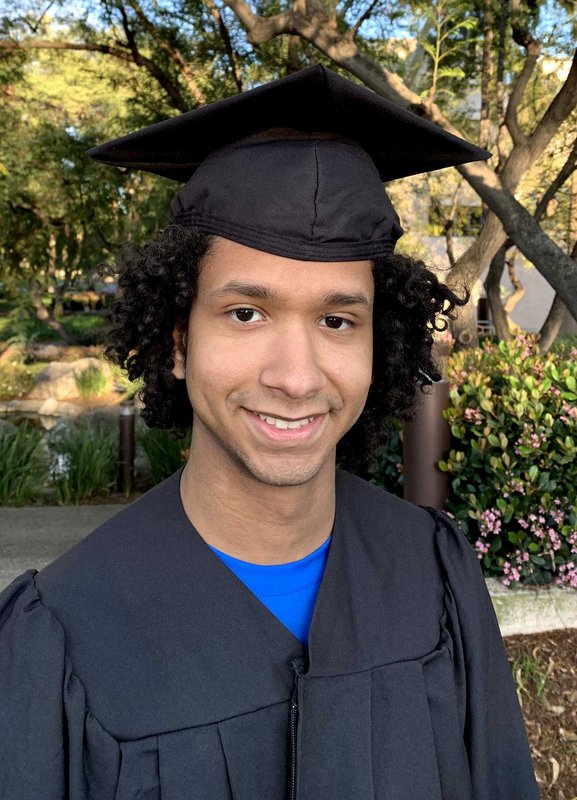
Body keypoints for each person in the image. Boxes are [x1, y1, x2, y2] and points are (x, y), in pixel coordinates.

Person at [0, 65, 538, 799]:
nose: (296, 376)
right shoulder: (62, 632)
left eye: (337, 320)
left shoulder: (434, 572)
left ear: (379, 344)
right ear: (178, 341)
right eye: (246, 313)